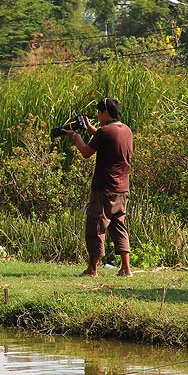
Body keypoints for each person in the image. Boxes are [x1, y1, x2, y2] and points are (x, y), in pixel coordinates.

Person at [68, 97, 134, 277]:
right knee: (119, 226)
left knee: (96, 225)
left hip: (104, 188)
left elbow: (86, 152)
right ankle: (126, 268)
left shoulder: (105, 132)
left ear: (105, 112)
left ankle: (92, 269)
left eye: (99, 112)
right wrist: (90, 128)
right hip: (122, 189)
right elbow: (106, 138)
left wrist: (75, 136)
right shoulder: (125, 130)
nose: (98, 115)